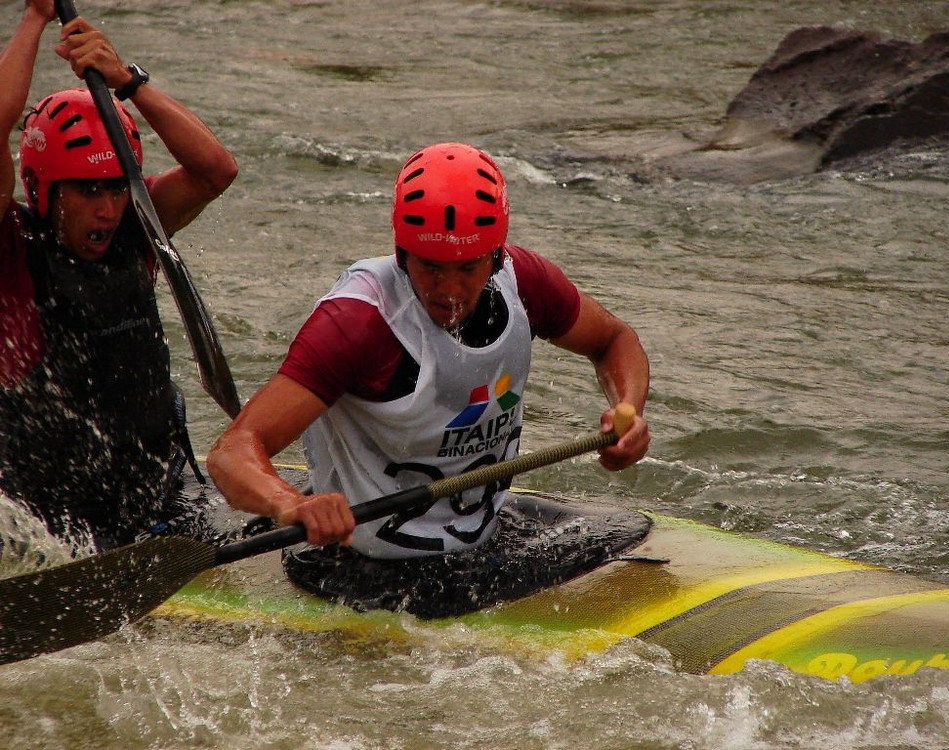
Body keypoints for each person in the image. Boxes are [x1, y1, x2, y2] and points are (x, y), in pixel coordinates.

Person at [208, 141, 649, 561]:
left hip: (486, 529)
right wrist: (288, 505)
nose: (451, 291)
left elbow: (613, 340)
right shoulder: (357, 324)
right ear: (402, 254)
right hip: (362, 561)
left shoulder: (526, 283)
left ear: (495, 257)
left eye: (468, 267)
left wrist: (627, 409)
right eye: (431, 267)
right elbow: (233, 451)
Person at [0, 0, 239, 549]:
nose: (107, 210)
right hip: (48, 512)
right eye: (87, 191)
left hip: (150, 487)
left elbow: (216, 170)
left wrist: (127, 81)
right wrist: (36, 17)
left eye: (115, 186)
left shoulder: (139, 224)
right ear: (44, 187)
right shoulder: (12, 248)